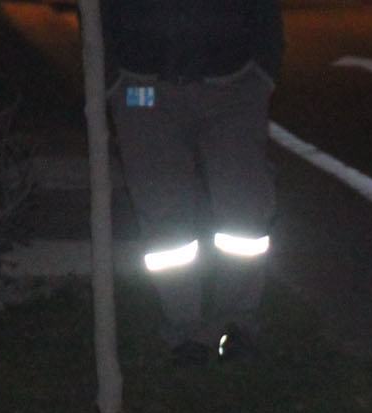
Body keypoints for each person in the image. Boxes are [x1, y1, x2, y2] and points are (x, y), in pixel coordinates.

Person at [101, 0, 282, 361]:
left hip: (233, 86)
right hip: (143, 89)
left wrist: (262, 72)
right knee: (163, 212)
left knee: (244, 211)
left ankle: (236, 325)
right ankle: (185, 329)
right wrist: (113, 80)